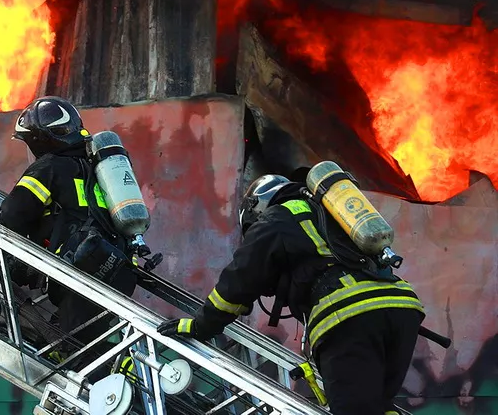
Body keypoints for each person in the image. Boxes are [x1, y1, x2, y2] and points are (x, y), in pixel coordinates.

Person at [157, 173, 425, 415]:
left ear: (256, 208)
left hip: (349, 314)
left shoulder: (276, 218)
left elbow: (239, 280)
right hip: (401, 307)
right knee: (377, 406)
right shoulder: (328, 213)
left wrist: (201, 326)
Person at [0, 95, 138, 356]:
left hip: (84, 270)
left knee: (71, 355)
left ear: (40, 140)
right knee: (80, 345)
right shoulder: (95, 167)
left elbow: (13, 214)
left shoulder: (49, 166)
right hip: (119, 267)